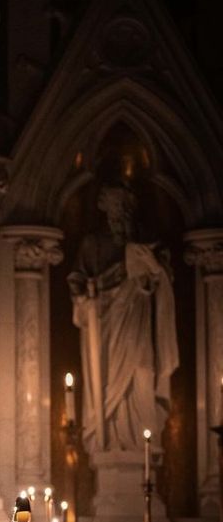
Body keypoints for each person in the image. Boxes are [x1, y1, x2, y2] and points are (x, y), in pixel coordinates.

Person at [68, 184, 178, 453]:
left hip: (139, 319)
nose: (119, 216)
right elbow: (77, 279)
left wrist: (151, 269)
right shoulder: (93, 243)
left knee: (142, 373)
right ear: (107, 212)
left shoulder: (147, 239)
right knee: (106, 381)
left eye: (123, 209)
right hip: (106, 322)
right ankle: (109, 440)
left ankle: (144, 443)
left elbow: (163, 277)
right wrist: (84, 295)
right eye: (115, 209)